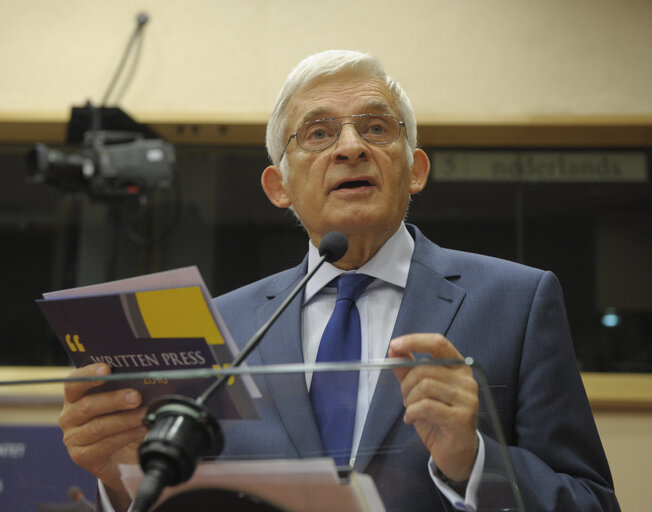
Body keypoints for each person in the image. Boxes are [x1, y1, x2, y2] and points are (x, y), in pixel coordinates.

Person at [59, 50, 620, 511]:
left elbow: (592, 502)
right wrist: (122, 478)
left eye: (376, 127)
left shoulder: (518, 301)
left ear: (415, 169)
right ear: (278, 186)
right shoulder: (222, 327)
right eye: (319, 134)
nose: (351, 147)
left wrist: (475, 460)